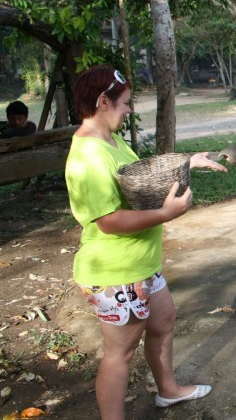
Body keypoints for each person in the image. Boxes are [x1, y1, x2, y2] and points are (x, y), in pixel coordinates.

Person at [64, 65, 227, 419]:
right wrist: (165, 215)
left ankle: (167, 390)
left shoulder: (111, 138)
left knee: (163, 320)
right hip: (116, 270)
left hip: (141, 263)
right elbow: (108, 221)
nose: (129, 110)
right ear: (103, 102)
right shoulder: (89, 156)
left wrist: (188, 161)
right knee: (120, 353)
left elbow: (143, 175)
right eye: (125, 103)